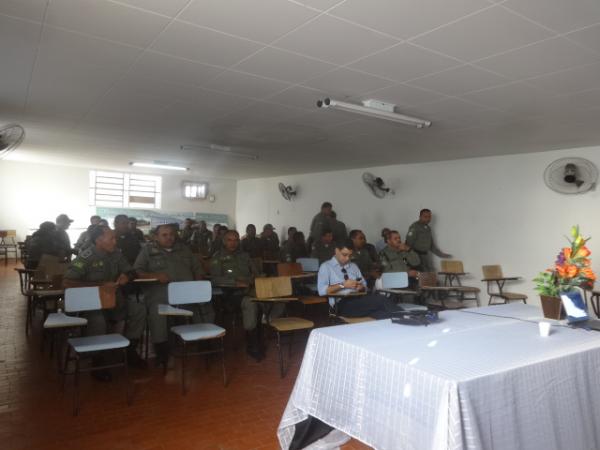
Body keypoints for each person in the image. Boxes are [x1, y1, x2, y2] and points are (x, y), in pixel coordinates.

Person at [63, 225, 147, 378]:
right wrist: (99, 285)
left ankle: (129, 349)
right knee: (98, 320)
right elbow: (68, 282)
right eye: (112, 238)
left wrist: (127, 276)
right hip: (91, 302)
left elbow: (131, 270)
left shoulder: (116, 254)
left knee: (138, 310)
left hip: (114, 300)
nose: (115, 242)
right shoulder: (86, 257)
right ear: (98, 240)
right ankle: (97, 360)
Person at [134, 223, 212, 367]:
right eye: (164, 235)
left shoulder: (184, 249)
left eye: (171, 234)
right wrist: (155, 275)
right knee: (157, 312)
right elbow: (137, 271)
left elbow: (197, 268)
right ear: (156, 237)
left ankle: (205, 343)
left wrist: (198, 285)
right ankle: (162, 351)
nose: (169, 237)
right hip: (160, 292)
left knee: (205, 305)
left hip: (186, 292)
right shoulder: (147, 251)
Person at [210, 230, 280, 361]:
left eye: (236, 240)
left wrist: (262, 279)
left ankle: (264, 326)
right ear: (224, 241)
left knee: (275, 298)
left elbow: (256, 273)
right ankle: (253, 344)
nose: (233, 243)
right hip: (230, 295)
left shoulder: (245, 256)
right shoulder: (217, 257)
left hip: (249, 290)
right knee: (251, 303)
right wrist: (235, 282)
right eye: (230, 240)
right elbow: (215, 279)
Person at [317, 239, 402, 320]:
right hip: (341, 304)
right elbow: (322, 291)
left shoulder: (353, 266)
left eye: (350, 255)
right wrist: (343, 285)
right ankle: (405, 315)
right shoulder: (326, 267)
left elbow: (364, 286)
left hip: (359, 300)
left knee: (381, 313)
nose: (347, 258)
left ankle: (403, 322)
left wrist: (361, 287)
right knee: (380, 299)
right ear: (336, 251)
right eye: (344, 255)